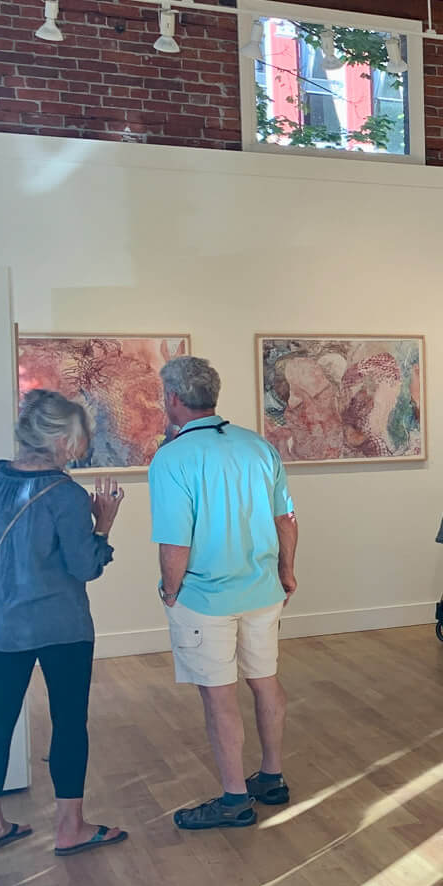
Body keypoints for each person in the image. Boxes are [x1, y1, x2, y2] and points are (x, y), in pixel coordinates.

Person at [150, 356, 300, 831]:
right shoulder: (257, 446)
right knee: (265, 679)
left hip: (205, 598)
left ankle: (235, 799)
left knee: (218, 697)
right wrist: (287, 571)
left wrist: (169, 591)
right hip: (262, 589)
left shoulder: (171, 458)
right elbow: (286, 520)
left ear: (173, 399)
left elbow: (175, 541)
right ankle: (271, 777)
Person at [0, 392, 129, 857]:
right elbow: (85, 567)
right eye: (77, 437)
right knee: (69, 722)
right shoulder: (66, 495)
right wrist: (103, 524)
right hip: (62, 626)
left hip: (2, 623)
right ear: (62, 439)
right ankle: (70, 827)